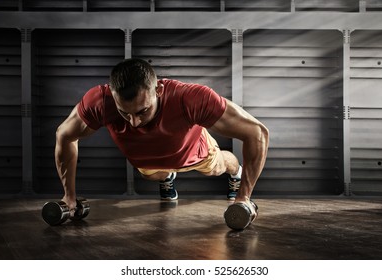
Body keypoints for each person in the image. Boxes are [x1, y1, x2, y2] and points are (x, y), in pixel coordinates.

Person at [55, 58, 269, 217]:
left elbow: (256, 132)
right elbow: (64, 135)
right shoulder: (100, 102)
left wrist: (244, 197)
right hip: (147, 162)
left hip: (194, 152)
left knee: (219, 166)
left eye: (142, 112)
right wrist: (69, 195)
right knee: (152, 175)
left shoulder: (190, 98)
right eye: (124, 113)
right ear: (112, 94)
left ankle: (236, 173)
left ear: (159, 90)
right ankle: (168, 178)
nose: (134, 123)